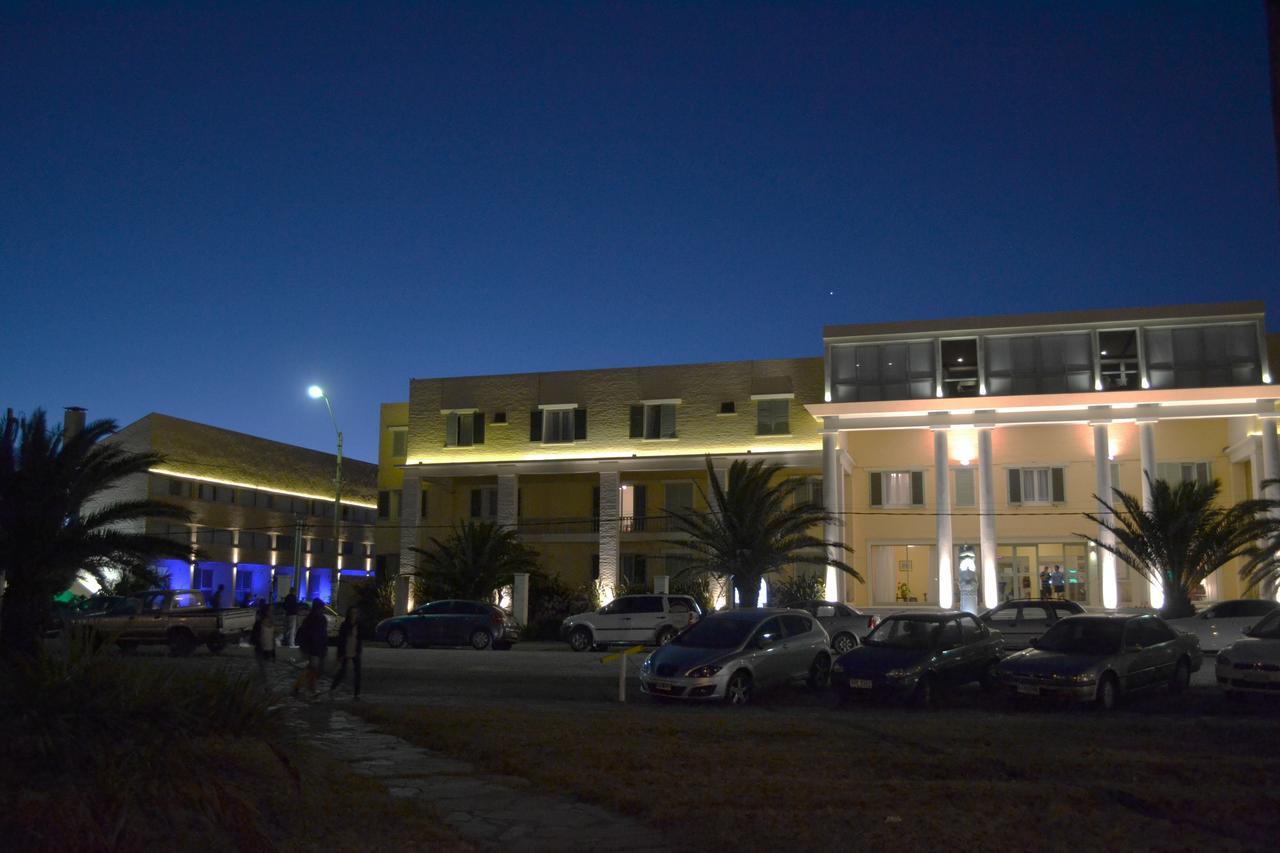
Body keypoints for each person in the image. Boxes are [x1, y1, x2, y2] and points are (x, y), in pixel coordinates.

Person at [292, 598, 329, 700]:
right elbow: (319, 635)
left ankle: (300, 686)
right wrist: (320, 648)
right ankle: (309, 688)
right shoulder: (318, 619)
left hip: (311, 647)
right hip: (313, 648)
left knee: (311, 669)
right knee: (312, 669)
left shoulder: (310, 618)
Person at [329, 606, 363, 700]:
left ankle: (357, 693)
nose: (354, 615)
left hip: (354, 650)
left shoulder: (358, 625)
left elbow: (359, 638)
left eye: (355, 613)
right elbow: (341, 640)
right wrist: (340, 653)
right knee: (342, 671)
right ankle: (332, 688)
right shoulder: (345, 625)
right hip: (347, 649)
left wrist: (359, 649)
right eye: (352, 613)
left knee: (357, 673)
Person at [250, 602, 275, 679]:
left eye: (272, 610)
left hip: (269, 650)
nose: (271, 612)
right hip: (261, 650)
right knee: (264, 672)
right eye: (270, 610)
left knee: (264, 671)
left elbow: (272, 638)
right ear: (266, 611)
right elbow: (254, 637)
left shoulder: (272, 622)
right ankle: (266, 688)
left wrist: (274, 652)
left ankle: (255, 683)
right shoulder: (259, 624)